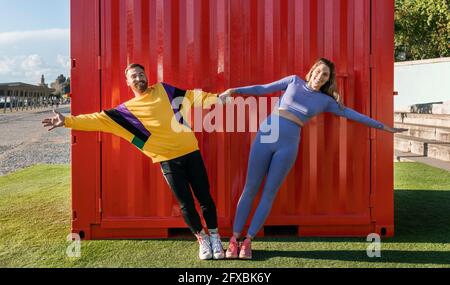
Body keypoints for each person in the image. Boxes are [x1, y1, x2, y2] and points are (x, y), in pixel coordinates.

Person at [219, 58, 407, 259]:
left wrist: (384, 127)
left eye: (325, 74)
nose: (320, 76)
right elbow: (263, 89)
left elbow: (354, 115)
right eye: (319, 71)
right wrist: (234, 90)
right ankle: (234, 239)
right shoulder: (293, 81)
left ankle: (248, 241)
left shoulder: (326, 101)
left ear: (328, 79)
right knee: (250, 188)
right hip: (267, 135)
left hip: (289, 146)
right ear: (312, 71)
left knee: (269, 193)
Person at [42, 63, 225, 260]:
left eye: (141, 74)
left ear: (147, 76)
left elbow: (191, 97)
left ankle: (215, 237)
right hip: (168, 161)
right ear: (128, 82)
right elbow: (97, 119)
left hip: (191, 152)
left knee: (204, 197)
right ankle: (202, 239)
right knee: (186, 204)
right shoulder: (126, 112)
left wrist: (217, 98)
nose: (139, 78)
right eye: (134, 76)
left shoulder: (164, 90)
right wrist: (68, 121)